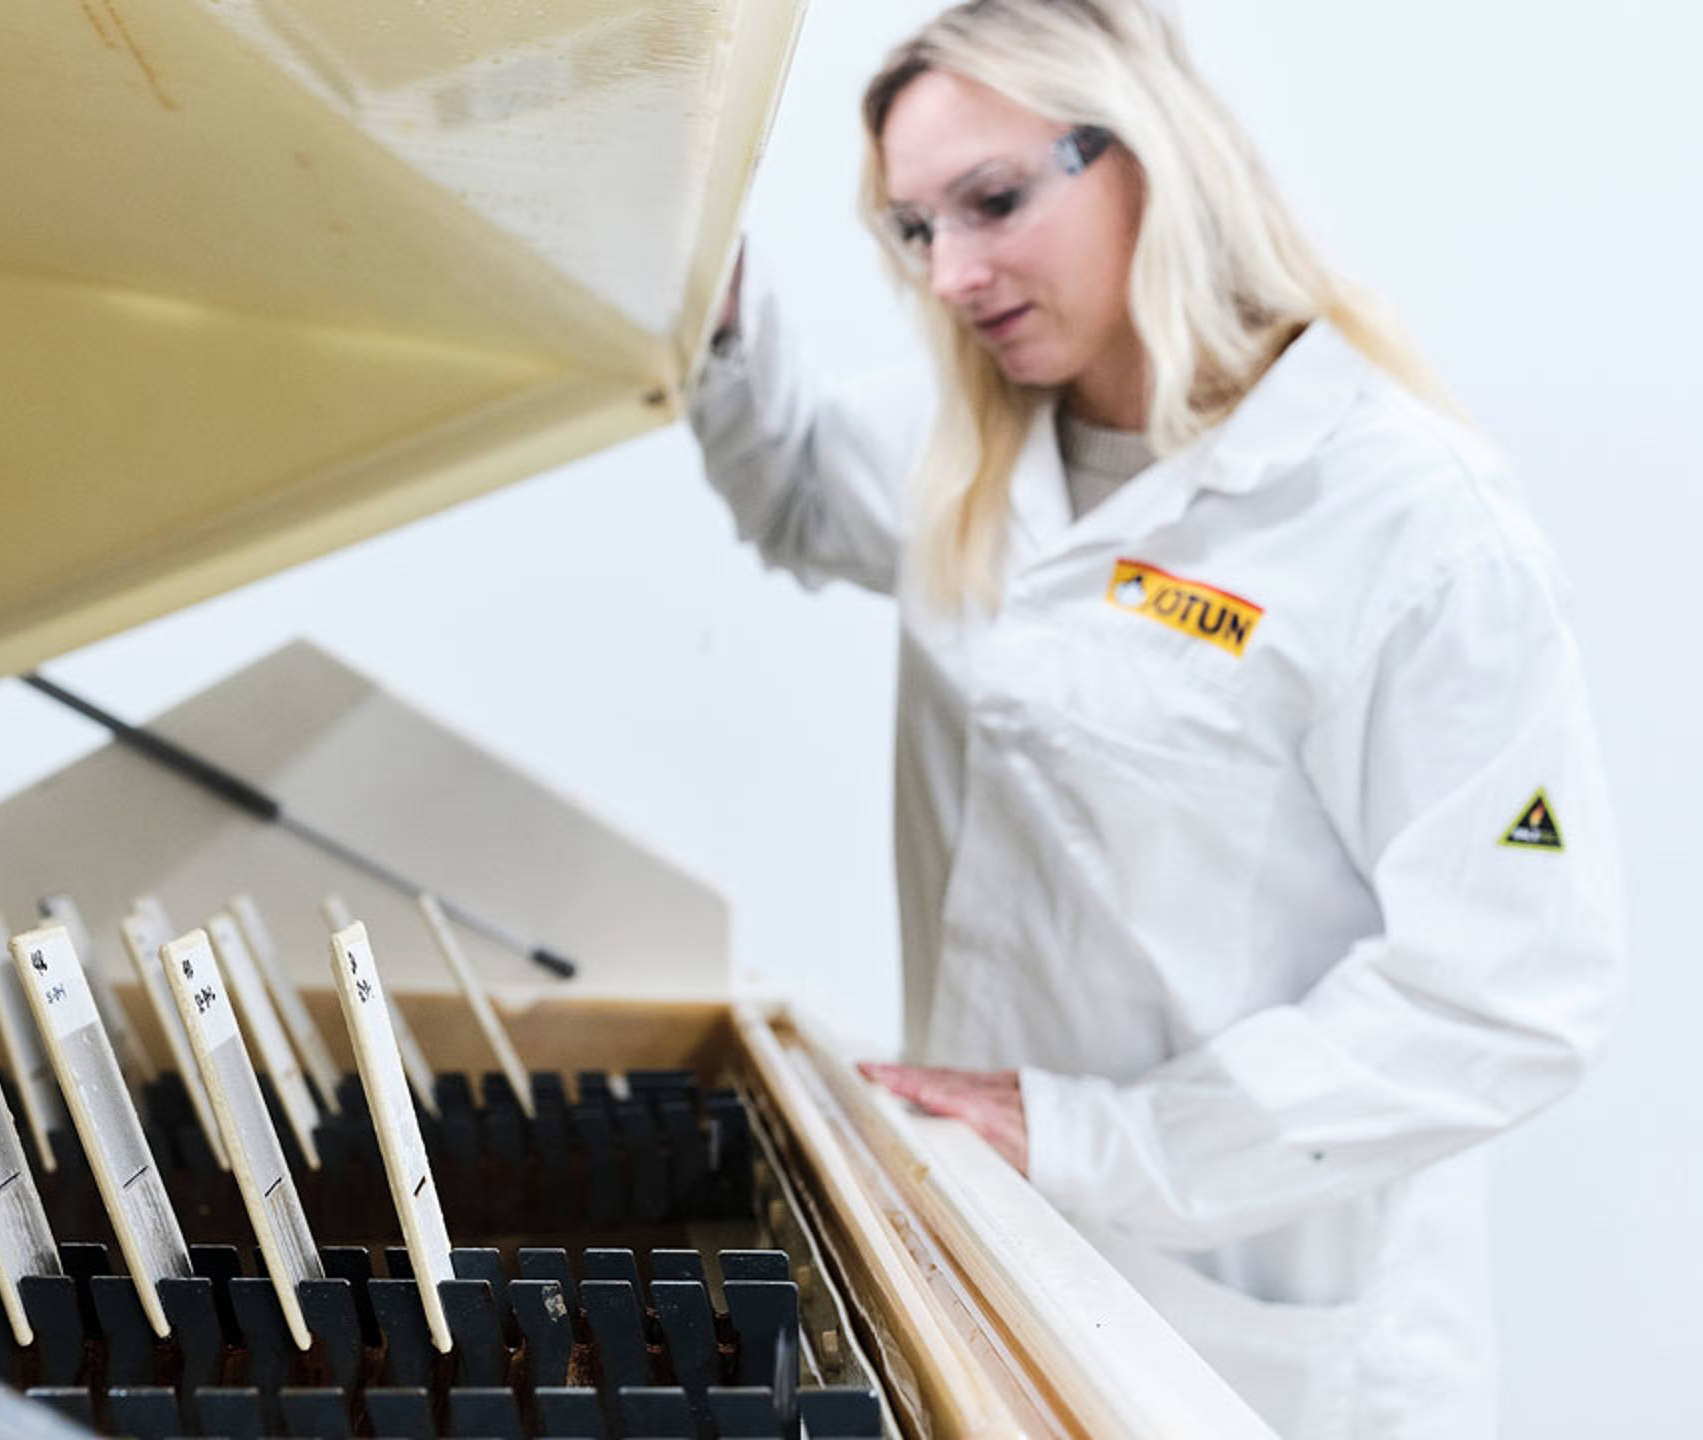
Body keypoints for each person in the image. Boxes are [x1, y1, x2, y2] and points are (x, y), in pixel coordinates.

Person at [684, 2, 1622, 1436]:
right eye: (916, 229)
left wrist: (1099, 1140)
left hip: (1254, 1332)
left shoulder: (1407, 528)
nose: (953, 274)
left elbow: (1506, 991)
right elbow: (800, 490)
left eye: (993, 201)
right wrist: (702, 282)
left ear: (1147, 153)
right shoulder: (974, 448)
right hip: (994, 1254)